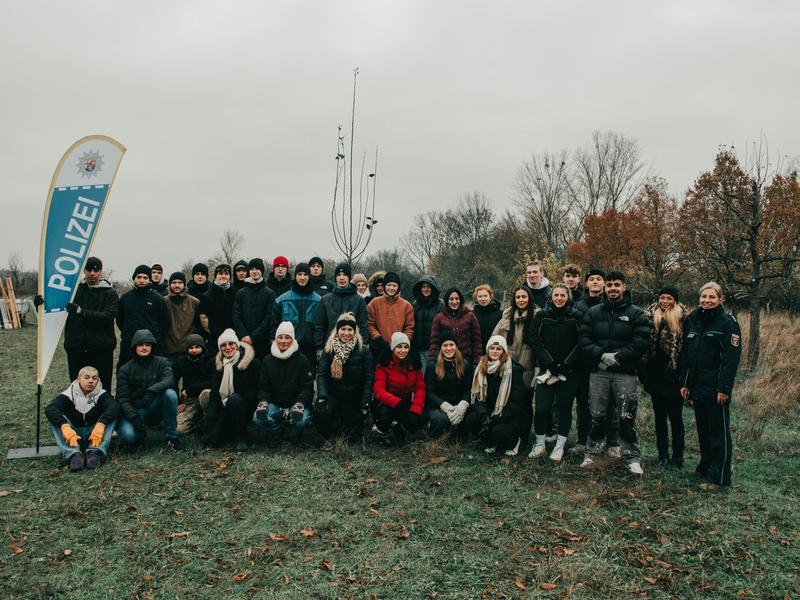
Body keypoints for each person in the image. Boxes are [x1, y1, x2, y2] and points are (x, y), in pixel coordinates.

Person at [578, 271, 649, 475]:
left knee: (626, 414)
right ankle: (592, 453)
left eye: (617, 285)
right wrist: (601, 355)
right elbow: (584, 338)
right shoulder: (593, 312)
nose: (613, 288)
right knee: (597, 414)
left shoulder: (636, 313)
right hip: (599, 372)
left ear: (624, 287)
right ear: (605, 288)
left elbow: (641, 340)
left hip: (624, 372)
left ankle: (631, 457)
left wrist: (618, 357)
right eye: (609, 285)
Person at [680, 282, 741, 492]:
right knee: (703, 430)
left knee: (718, 432)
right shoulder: (694, 320)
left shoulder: (727, 323)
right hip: (698, 386)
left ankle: (720, 479)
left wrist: (724, 388)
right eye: (704, 296)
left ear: (720, 300)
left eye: (712, 297)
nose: (707, 300)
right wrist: (686, 383)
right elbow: (689, 355)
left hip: (716, 389)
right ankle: (705, 467)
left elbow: (730, 360)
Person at [528, 283, 583, 461]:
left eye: (563, 296)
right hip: (547, 370)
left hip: (570, 370)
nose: (559, 298)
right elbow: (535, 340)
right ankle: (540, 443)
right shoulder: (542, 316)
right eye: (556, 295)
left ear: (568, 298)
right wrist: (549, 363)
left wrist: (567, 364)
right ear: (550, 297)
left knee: (565, 407)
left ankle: (560, 446)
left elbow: (581, 342)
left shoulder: (577, 317)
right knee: (542, 407)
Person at [640, 286, 688, 470]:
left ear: (675, 300)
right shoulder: (650, 316)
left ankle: (678, 457)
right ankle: (663, 455)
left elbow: (685, 348)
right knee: (659, 417)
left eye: (669, 298)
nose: (665, 301)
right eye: (662, 298)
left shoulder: (683, 317)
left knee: (675, 417)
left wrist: (678, 372)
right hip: (655, 374)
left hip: (674, 374)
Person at [573, 268, 619, 455]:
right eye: (591, 279)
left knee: (608, 403)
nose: (595, 282)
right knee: (583, 402)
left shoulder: (611, 304)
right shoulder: (578, 305)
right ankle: (583, 439)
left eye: (599, 279)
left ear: (604, 284)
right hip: (582, 362)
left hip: (605, 362)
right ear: (586, 283)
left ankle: (612, 441)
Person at [116, 329, 184, 451]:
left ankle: (171, 437)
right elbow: (122, 398)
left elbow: (170, 380)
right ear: (134, 347)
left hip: (154, 407)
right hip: (135, 411)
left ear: (153, 346)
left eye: (148, 345)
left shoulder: (162, 362)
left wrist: (151, 391)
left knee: (170, 394)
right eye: (140, 345)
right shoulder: (125, 369)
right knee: (128, 437)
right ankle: (139, 435)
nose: (144, 348)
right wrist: (134, 418)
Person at [315, 313, 375, 446]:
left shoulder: (363, 350)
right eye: (343, 329)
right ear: (337, 330)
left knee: (353, 440)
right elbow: (323, 375)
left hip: (354, 398)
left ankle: (345, 425)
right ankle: (332, 435)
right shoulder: (328, 350)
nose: (346, 333)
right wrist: (322, 397)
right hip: (334, 395)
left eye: (350, 329)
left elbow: (368, 378)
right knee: (320, 414)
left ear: (355, 331)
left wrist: (365, 403)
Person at [491, 285, 538, 454]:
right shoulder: (506, 317)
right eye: (518, 297)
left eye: (524, 297)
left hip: (528, 369)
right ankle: (507, 435)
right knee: (506, 404)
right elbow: (494, 339)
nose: (521, 300)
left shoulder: (537, 316)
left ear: (529, 298)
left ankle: (524, 437)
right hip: (508, 370)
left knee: (525, 405)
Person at [45, 366, 119, 471]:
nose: (90, 381)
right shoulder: (68, 394)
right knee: (56, 419)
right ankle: (73, 455)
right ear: (78, 379)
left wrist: (101, 424)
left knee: (112, 416)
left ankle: (95, 452)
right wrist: (64, 426)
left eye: (94, 378)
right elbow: (51, 409)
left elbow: (114, 407)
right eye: (86, 377)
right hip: (74, 435)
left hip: (94, 435)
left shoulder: (101, 394)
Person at [253, 322, 314, 447]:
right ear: (276, 339)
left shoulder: (302, 359)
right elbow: (263, 386)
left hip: (296, 403)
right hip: (275, 403)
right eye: (280, 337)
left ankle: (295, 436)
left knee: (301, 420)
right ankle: (277, 433)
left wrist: (300, 403)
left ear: (292, 339)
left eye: (287, 337)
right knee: (258, 417)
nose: (283, 341)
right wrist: (263, 402)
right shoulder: (267, 360)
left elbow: (307, 387)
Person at [62, 256, 119, 391]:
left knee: (102, 387)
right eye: (88, 270)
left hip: (101, 348)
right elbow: (55, 308)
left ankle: (102, 412)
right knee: (77, 387)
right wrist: (40, 303)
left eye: (96, 270)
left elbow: (108, 316)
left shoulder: (109, 293)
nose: (92, 274)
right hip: (77, 347)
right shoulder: (73, 291)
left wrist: (82, 313)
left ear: (100, 271)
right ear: (83, 271)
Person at [465, 336, 528, 455]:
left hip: (511, 415)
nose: (494, 351)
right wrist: (484, 415)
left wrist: (495, 419)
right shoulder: (481, 368)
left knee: (497, 430)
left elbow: (515, 403)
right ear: (487, 350)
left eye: (498, 348)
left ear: (503, 351)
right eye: (492, 348)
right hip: (490, 410)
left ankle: (514, 442)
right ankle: (491, 442)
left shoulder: (513, 371)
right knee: (472, 419)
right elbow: (478, 397)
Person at [202, 329, 261, 451]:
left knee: (234, 399)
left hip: (247, 406)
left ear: (237, 345)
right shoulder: (220, 365)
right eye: (223, 345)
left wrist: (243, 396)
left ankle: (243, 437)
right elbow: (215, 393)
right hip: (226, 406)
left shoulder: (252, 363)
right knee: (210, 441)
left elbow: (260, 387)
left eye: (231, 344)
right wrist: (210, 419)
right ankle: (229, 431)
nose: (227, 348)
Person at [372, 332, 425, 447]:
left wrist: (415, 411)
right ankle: (383, 434)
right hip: (387, 403)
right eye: (399, 347)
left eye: (406, 347)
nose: (403, 350)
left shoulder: (414, 365)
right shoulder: (384, 364)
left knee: (420, 417)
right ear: (393, 348)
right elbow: (378, 390)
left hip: (405, 402)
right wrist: (397, 404)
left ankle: (400, 430)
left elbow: (420, 389)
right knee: (384, 414)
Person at [117, 265, 171, 368]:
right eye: (139, 277)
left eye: (145, 278)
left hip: (151, 344)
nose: (142, 280)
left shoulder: (158, 299)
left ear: (149, 279)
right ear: (134, 278)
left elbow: (165, 322)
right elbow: (120, 319)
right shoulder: (125, 298)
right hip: (129, 343)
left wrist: (154, 336)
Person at [270, 262, 321, 369]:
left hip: (310, 352)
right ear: (295, 276)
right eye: (299, 274)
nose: (302, 278)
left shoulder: (319, 301)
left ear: (309, 276)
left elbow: (320, 327)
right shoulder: (281, 300)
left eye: (305, 275)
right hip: (287, 349)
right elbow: (273, 327)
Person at [424, 330, 473, 437]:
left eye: (452, 344)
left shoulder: (465, 364)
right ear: (440, 348)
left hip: (458, 403)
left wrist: (462, 406)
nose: (449, 348)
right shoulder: (433, 365)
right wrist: (445, 407)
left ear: (456, 346)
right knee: (440, 420)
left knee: (467, 421)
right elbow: (429, 392)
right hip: (438, 405)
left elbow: (468, 389)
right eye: (445, 345)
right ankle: (433, 426)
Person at [314, 263, 369, 352]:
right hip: (330, 348)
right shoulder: (325, 300)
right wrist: (319, 348)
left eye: (345, 275)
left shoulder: (359, 300)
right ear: (336, 277)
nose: (342, 278)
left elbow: (363, 325)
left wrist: (362, 346)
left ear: (349, 278)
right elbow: (319, 326)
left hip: (353, 349)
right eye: (339, 275)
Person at [172, 334, 215, 435]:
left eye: (197, 347)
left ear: (202, 348)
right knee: (178, 430)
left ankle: (206, 420)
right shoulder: (181, 362)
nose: (194, 350)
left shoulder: (211, 360)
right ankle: (197, 422)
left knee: (206, 393)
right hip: (189, 401)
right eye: (191, 348)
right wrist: (178, 402)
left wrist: (190, 390)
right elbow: (172, 381)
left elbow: (212, 381)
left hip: (205, 397)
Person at [233, 258, 277, 359]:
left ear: (261, 271)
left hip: (262, 342)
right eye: (252, 269)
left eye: (257, 269)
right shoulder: (241, 293)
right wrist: (244, 337)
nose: (254, 271)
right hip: (243, 341)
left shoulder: (269, 294)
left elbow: (268, 318)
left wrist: (253, 337)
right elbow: (236, 316)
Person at [429, 287, 483, 366]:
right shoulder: (439, 318)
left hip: (466, 361)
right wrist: (432, 362)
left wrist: (476, 362)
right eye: (451, 299)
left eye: (457, 299)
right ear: (447, 301)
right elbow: (434, 342)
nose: (454, 302)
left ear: (460, 300)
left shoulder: (470, 316)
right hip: (445, 363)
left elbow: (476, 342)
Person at [367, 271, 415, 359]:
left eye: (394, 285)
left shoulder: (407, 306)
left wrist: (401, 344)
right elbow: (370, 325)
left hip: (399, 352)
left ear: (398, 287)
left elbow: (409, 328)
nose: (391, 288)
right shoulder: (374, 303)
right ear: (384, 286)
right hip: (378, 349)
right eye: (389, 285)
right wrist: (379, 341)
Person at [161, 272, 200, 364]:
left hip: (189, 350)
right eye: (174, 282)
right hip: (168, 351)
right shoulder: (163, 302)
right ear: (170, 284)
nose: (177, 285)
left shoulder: (194, 302)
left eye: (180, 282)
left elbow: (199, 325)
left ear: (184, 284)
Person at [198, 263, 237, 346]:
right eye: (220, 274)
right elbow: (205, 318)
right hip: (214, 339)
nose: (223, 276)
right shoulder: (206, 296)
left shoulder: (236, 293)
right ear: (215, 276)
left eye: (226, 274)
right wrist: (222, 334)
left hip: (234, 337)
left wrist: (232, 334)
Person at [411, 275, 443, 370]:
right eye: (423, 287)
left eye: (428, 287)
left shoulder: (440, 305)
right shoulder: (415, 305)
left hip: (434, 349)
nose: (425, 289)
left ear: (433, 288)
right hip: (418, 349)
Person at [472, 284, 503, 351]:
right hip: (478, 351)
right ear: (477, 298)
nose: (483, 299)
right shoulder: (472, 315)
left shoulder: (500, 314)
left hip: (496, 351)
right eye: (480, 296)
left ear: (490, 297)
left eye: (485, 296)